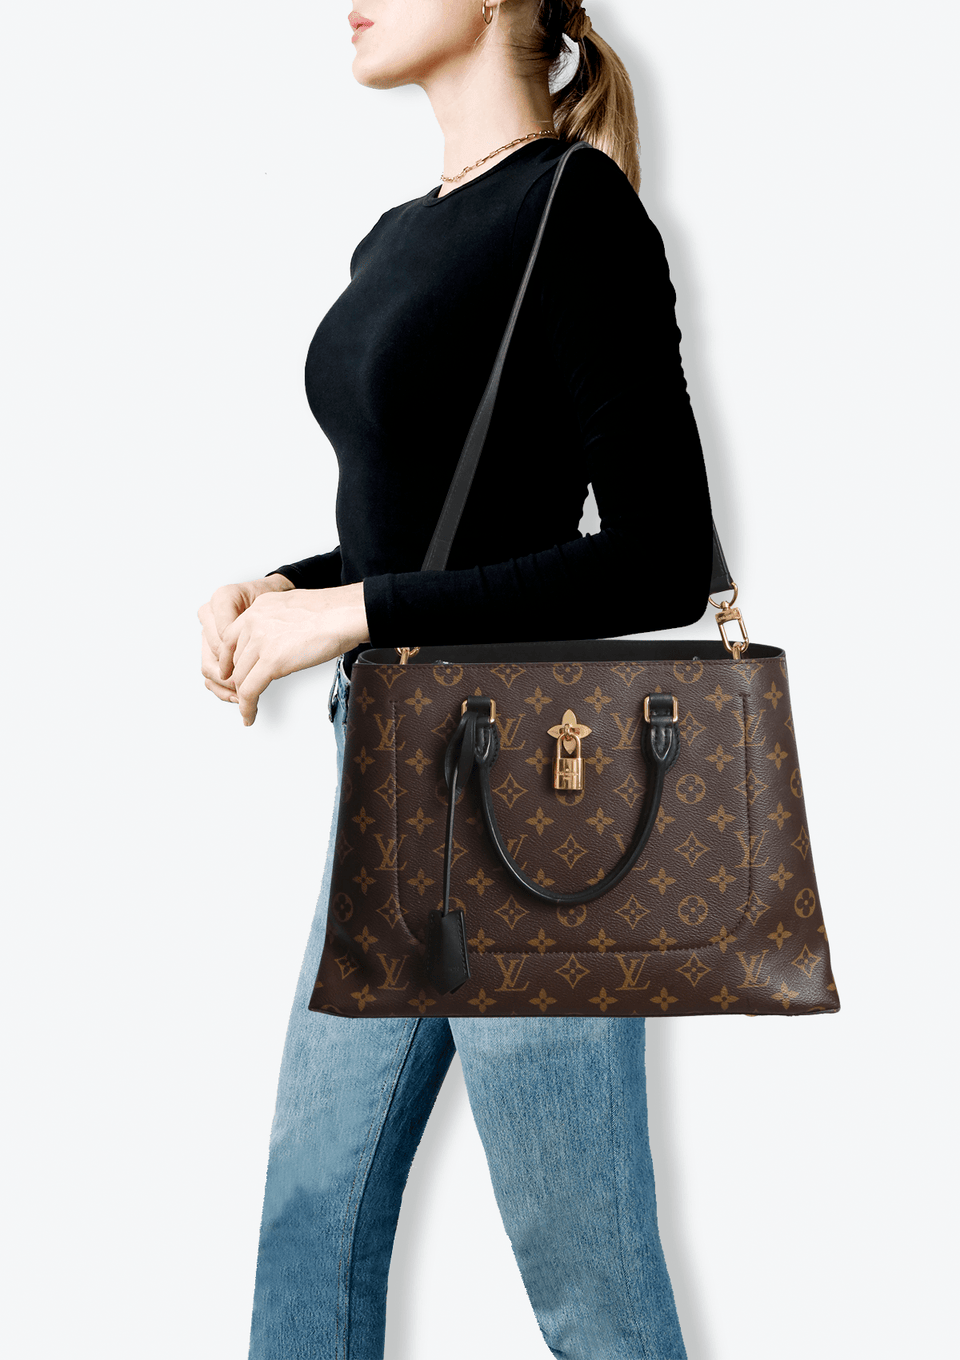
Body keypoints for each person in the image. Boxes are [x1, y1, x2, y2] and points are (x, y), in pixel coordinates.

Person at [198, 3, 714, 1356]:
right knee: (310, 1224)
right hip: (391, 778)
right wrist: (288, 589)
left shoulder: (576, 210)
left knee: (588, 1280)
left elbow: (663, 559)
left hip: (534, 797)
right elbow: (430, 536)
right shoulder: (396, 235)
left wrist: (355, 612)